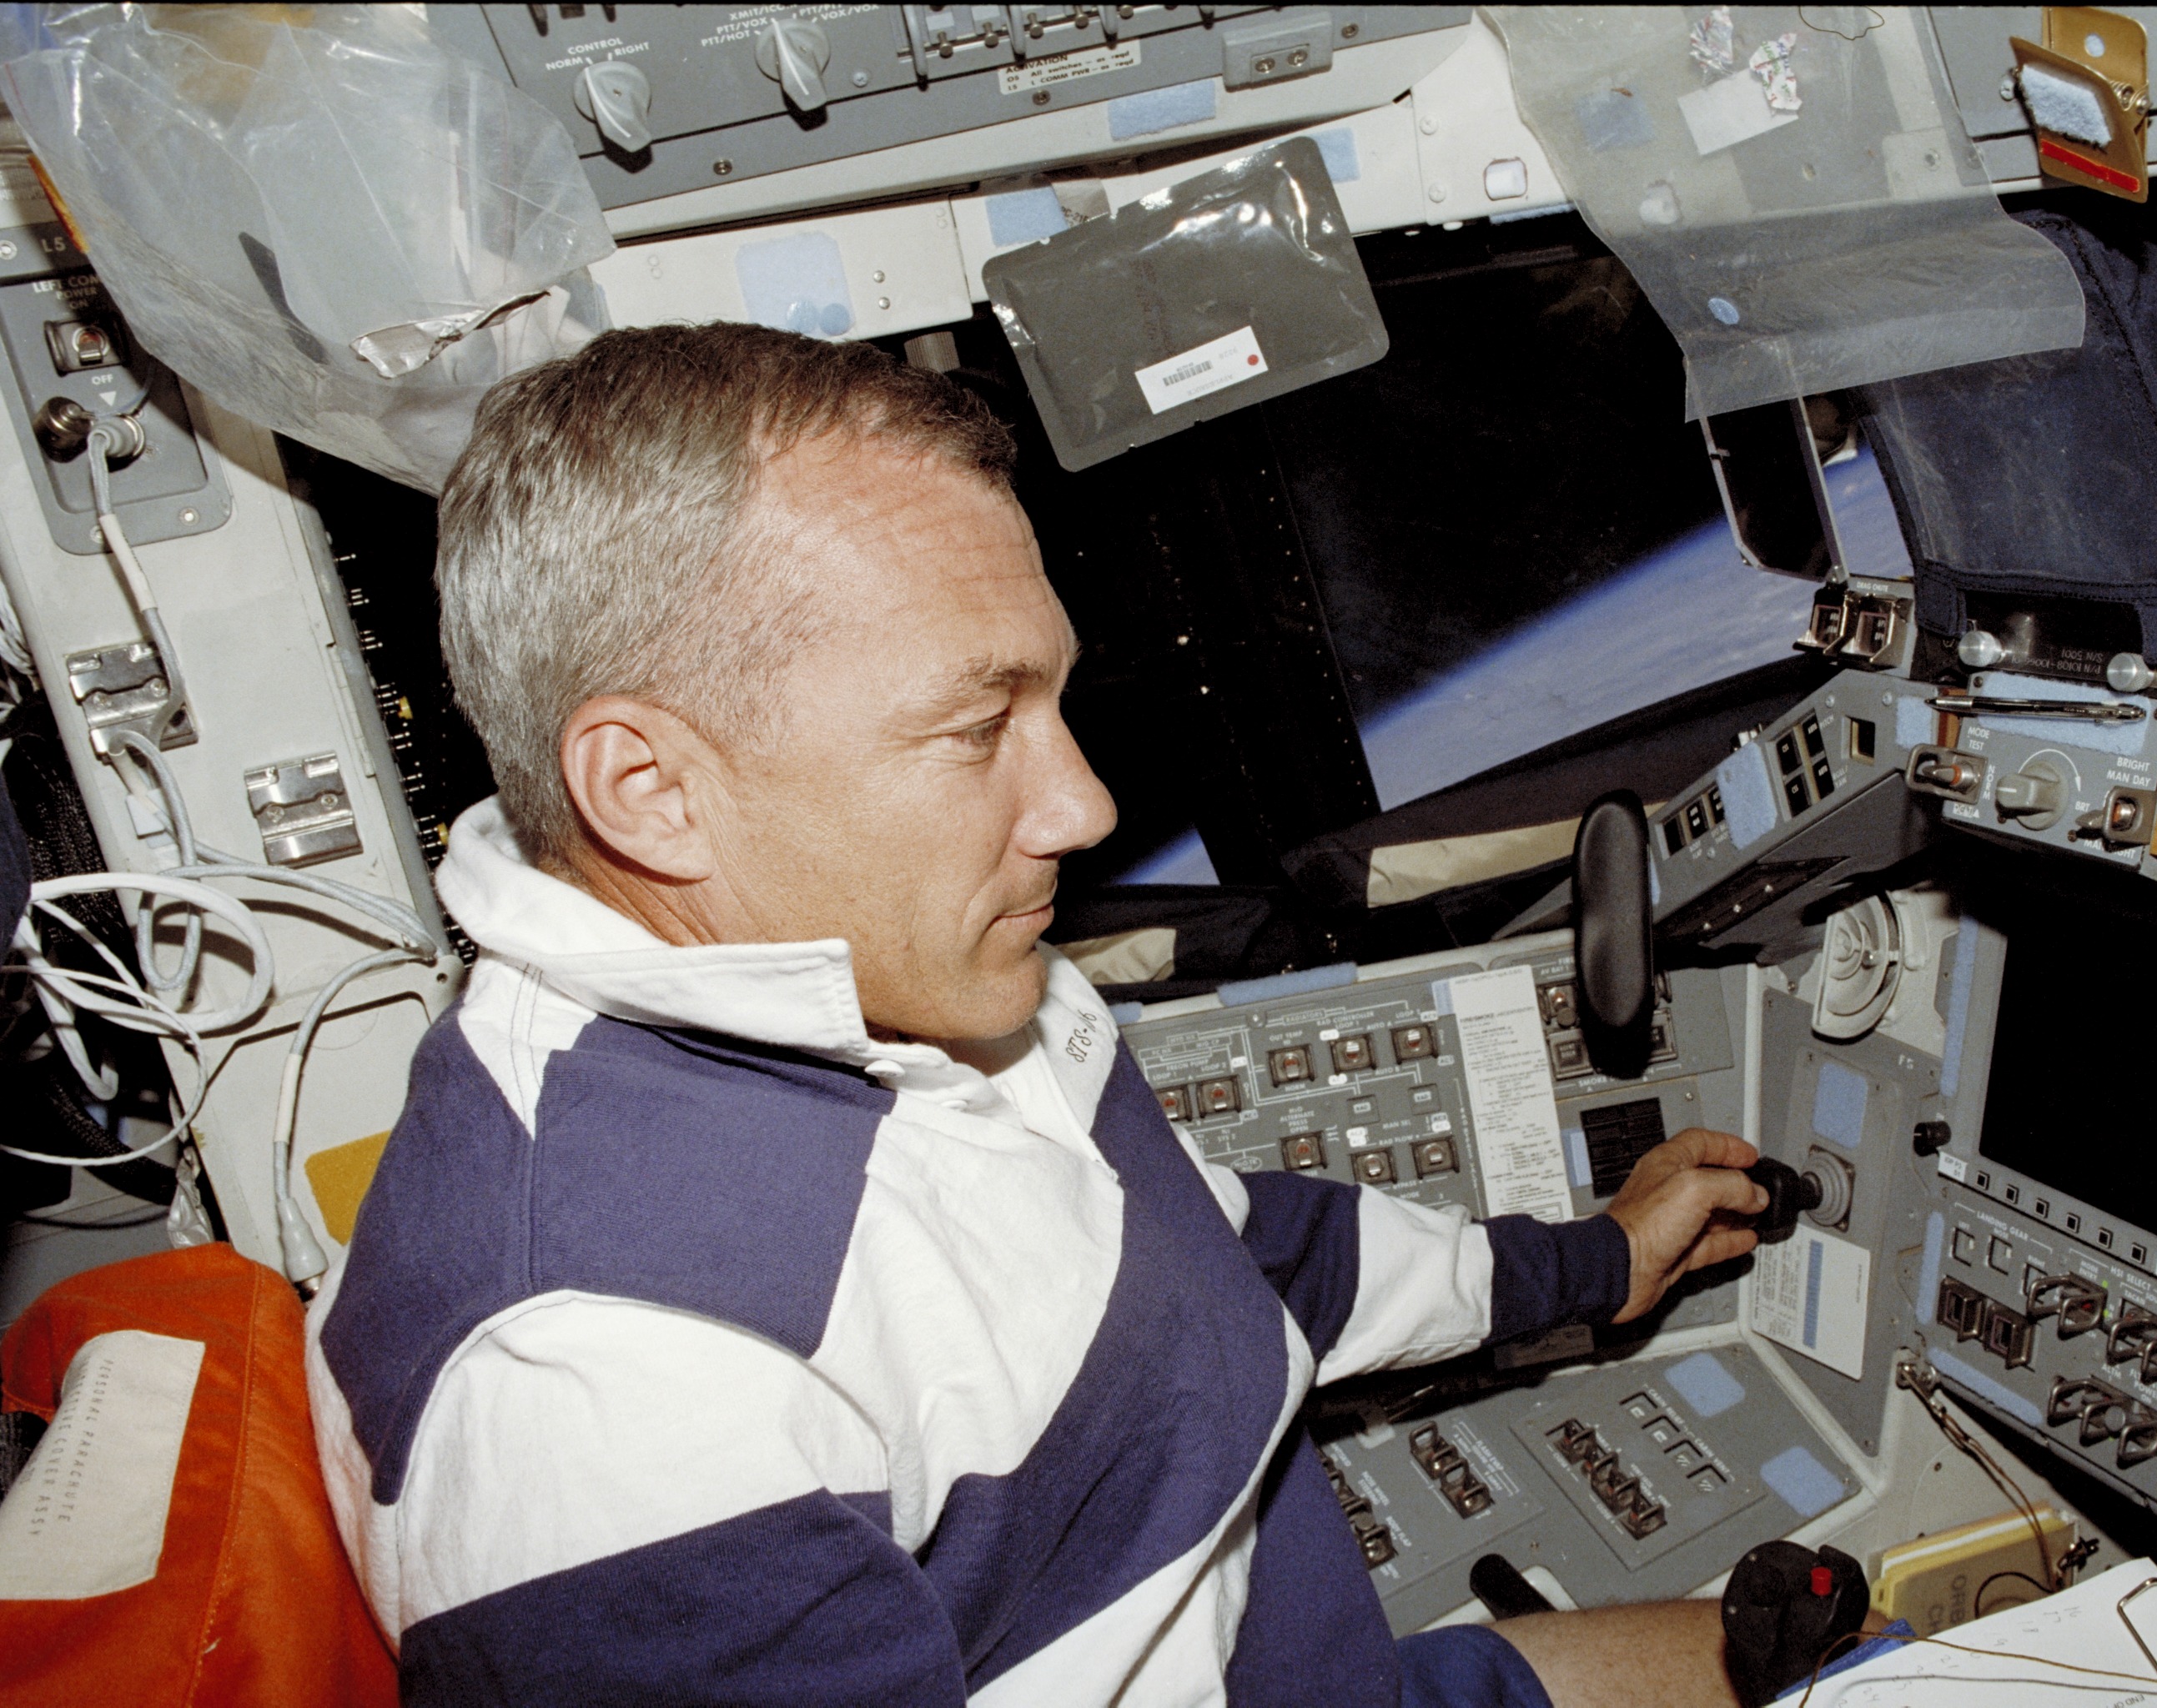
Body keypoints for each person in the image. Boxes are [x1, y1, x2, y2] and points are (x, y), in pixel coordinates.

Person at [308, 324, 1773, 1708]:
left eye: (1057, 704)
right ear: (651, 791)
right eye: (974, 729)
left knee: (1839, 1638)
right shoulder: (604, 1377)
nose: (1082, 806)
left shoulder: (901, 997)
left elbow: (1210, 1251)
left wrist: (1589, 1268)